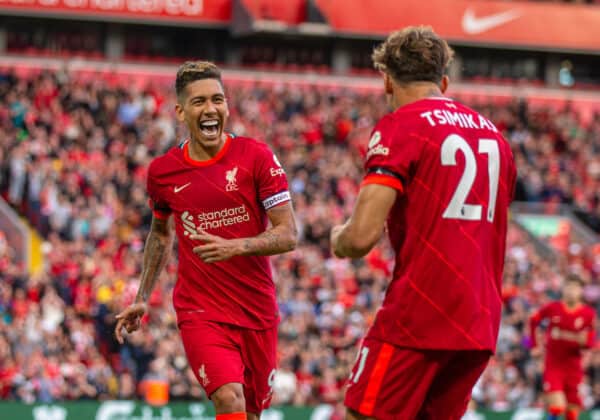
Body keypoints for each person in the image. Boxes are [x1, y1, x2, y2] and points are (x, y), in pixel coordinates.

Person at [330, 26, 517, 419]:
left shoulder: (402, 125)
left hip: (419, 314)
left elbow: (362, 237)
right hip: (478, 321)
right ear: (444, 81)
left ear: (386, 81)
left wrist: (339, 239)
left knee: (361, 414)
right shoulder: (495, 137)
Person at [114, 61, 298, 420]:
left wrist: (236, 246)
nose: (210, 109)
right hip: (201, 310)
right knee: (229, 399)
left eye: (217, 99)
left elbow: (288, 233)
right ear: (181, 111)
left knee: (252, 412)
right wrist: (141, 297)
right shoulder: (163, 173)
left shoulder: (256, 157)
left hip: (257, 310)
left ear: (227, 106)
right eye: (199, 102)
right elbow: (160, 233)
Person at [529, 275, 596, 420]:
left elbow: (589, 343)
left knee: (572, 412)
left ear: (581, 291)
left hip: (574, 367)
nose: (571, 291)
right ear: (563, 289)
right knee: (557, 406)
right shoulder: (553, 308)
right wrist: (534, 345)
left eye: (575, 287)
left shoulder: (588, 314)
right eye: (568, 287)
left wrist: (565, 335)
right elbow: (533, 320)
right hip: (553, 365)